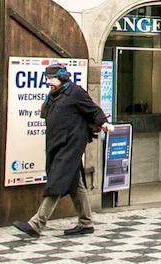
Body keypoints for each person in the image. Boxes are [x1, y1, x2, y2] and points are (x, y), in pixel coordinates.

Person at [16, 64, 109, 238]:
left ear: (61, 77)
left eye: (50, 78)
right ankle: (86, 223)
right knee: (75, 184)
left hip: (70, 145)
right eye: (47, 78)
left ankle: (36, 224)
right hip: (57, 144)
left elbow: (93, 109)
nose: (48, 82)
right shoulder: (55, 95)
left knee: (57, 181)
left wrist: (103, 123)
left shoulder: (75, 92)